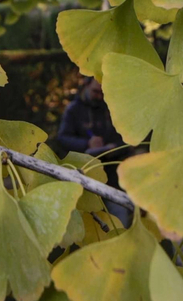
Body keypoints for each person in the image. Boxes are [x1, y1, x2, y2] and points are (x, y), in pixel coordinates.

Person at [55, 78, 132, 224]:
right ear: (85, 85)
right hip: (84, 177)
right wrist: (86, 144)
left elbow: (128, 138)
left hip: (113, 178)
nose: (99, 96)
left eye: (103, 93)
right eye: (96, 91)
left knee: (119, 221)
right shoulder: (74, 109)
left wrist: (113, 148)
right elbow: (63, 138)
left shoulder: (112, 107)